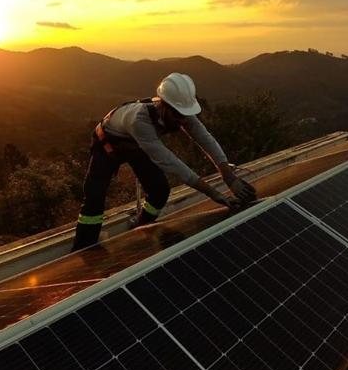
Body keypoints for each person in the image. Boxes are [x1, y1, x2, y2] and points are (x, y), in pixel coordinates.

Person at [72, 72, 256, 252]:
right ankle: (83, 248)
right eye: (177, 114)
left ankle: (141, 226)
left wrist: (229, 178)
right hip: (108, 146)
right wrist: (213, 194)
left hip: (138, 147)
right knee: (94, 197)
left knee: (159, 191)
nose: (182, 120)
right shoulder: (139, 120)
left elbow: (206, 139)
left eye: (184, 114)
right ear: (164, 105)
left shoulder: (182, 112)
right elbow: (170, 162)